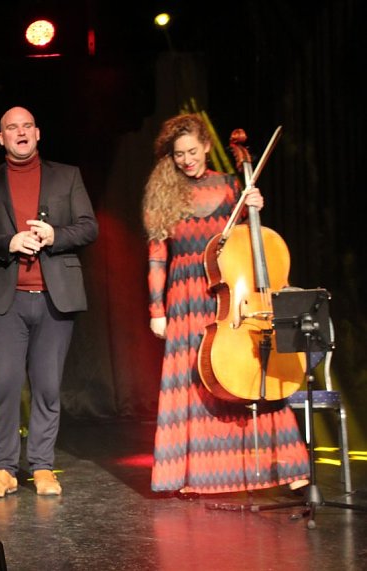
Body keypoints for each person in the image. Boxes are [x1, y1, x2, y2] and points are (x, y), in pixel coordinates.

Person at [142, 113, 309, 494]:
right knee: (191, 383)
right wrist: (156, 309)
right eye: (179, 154)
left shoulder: (233, 186)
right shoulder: (162, 194)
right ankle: (193, 474)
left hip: (229, 296)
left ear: (206, 146)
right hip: (185, 298)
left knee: (249, 373)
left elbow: (249, 245)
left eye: (192, 151)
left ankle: (285, 466)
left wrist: (253, 206)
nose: (186, 160)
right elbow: (157, 257)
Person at [0, 107, 98, 498]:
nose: (21, 132)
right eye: (12, 127)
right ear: (2, 138)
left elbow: (88, 227)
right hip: (6, 300)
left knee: (46, 386)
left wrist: (56, 235)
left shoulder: (67, 175)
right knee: (4, 384)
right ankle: (4, 469)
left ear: (38, 133)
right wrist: (8, 242)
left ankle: (42, 466)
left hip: (53, 297)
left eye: (27, 126)